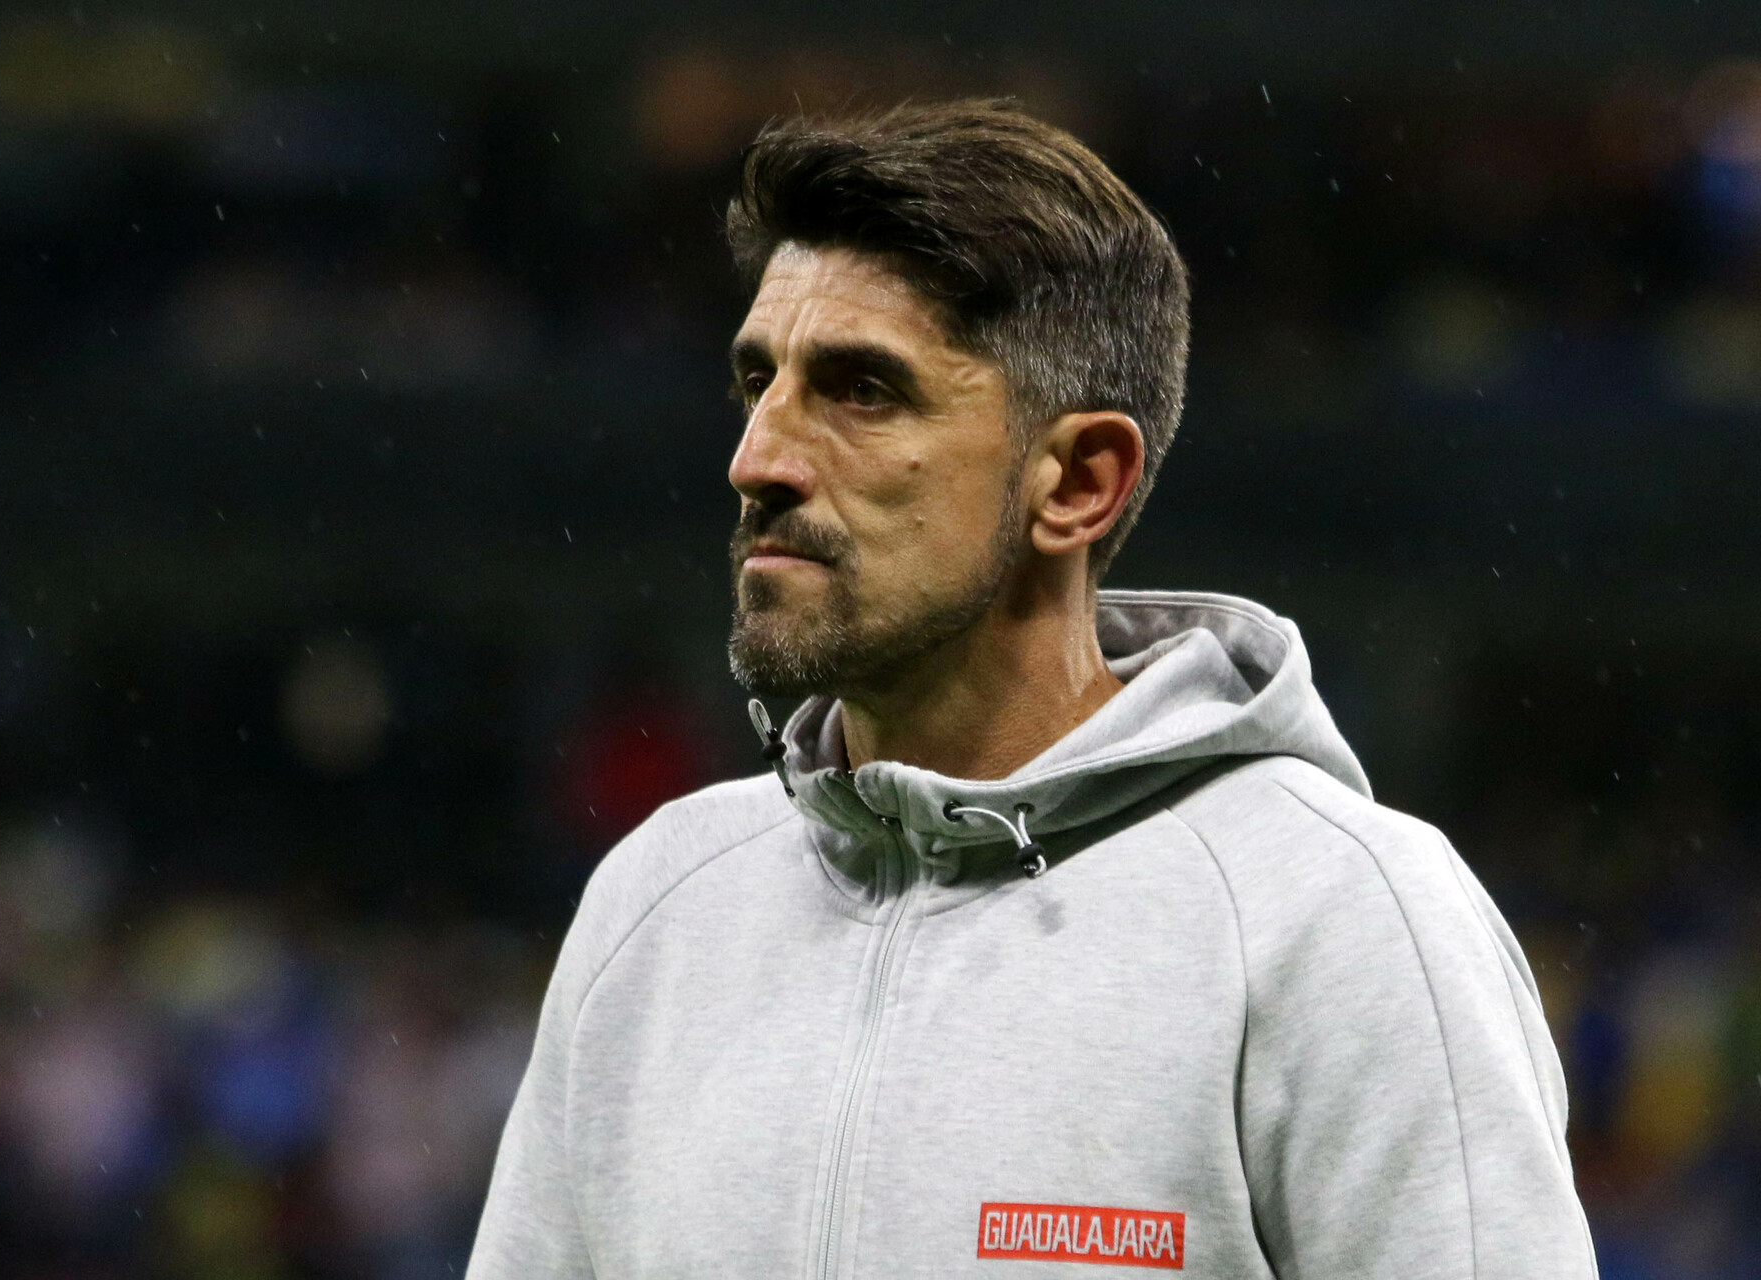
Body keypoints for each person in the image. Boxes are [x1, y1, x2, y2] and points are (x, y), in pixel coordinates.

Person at [467, 99, 1595, 1278]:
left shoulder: (1340, 917)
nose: (758, 458)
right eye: (760, 382)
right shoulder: (657, 906)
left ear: (1077, 483)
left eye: (862, 390)